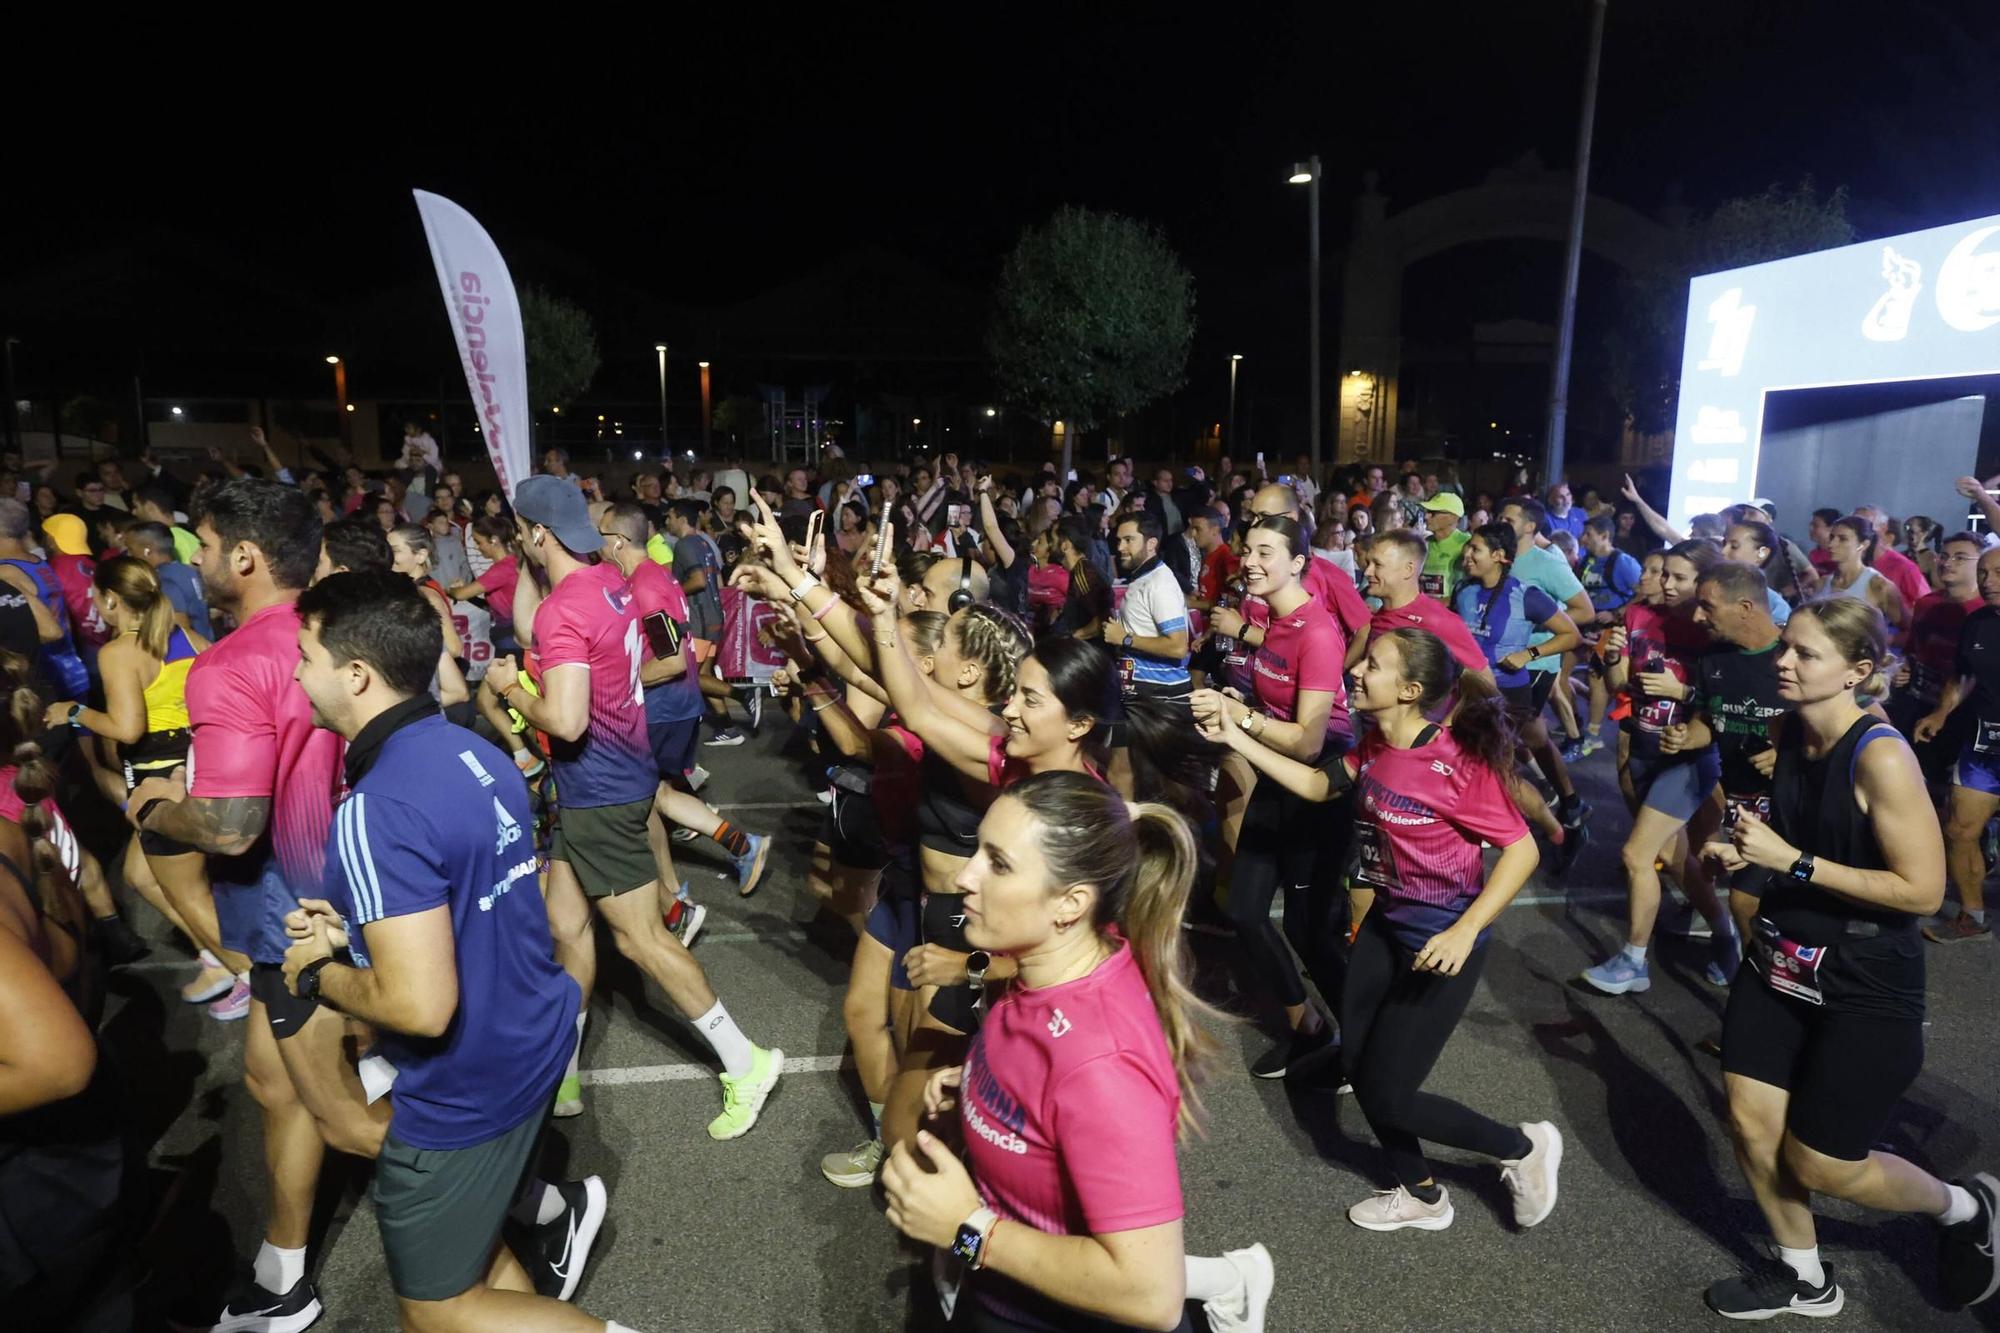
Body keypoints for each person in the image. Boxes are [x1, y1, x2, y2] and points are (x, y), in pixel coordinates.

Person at [280, 572, 632, 1333]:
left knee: (436, 1307)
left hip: (466, 1089)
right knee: (468, 1265)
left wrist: (318, 972)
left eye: (306, 656)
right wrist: (358, 932)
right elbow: (475, 902)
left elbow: (419, 1006)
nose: (297, 673)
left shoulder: (374, 807)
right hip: (533, 1039)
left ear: (357, 674)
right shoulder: (476, 751)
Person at [880, 772, 1276, 1333]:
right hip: (1004, 1293)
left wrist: (968, 1231)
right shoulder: (1045, 968)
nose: (966, 876)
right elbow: (1042, 1081)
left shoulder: (1101, 1066)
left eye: (999, 864)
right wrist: (977, 1089)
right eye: (978, 850)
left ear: (1070, 903)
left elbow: (1152, 1296)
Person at [1698, 597, 2000, 1320]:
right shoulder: (1785, 728)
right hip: (1781, 953)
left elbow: (1921, 890)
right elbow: (1805, 835)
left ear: (1857, 671)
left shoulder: (1882, 755)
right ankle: (1805, 1277)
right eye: (1785, 647)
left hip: (1865, 974)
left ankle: (1965, 1208)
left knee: (1823, 1164)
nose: (1783, 662)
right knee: (1749, 1121)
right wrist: (1744, 850)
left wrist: (1791, 861)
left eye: (1805, 654)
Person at [1218, 627, 1562, 1234]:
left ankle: (1522, 1148)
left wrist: (1464, 932)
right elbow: (1319, 785)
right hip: (1384, 926)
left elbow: (1522, 851)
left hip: (1439, 944)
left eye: (1372, 665)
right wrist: (1235, 734)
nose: (1356, 670)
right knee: (1357, 1063)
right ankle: (1423, 1195)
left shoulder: (1456, 766)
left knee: (1389, 1094)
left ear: (1408, 690)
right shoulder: (1376, 742)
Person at [127, 478, 365, 1330]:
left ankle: (537, 1203)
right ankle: (283, 1270)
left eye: (202, 543)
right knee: (275, 1079)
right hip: (348, 883)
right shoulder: (342, 627)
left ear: (246, 555)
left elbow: (230, 828)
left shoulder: (230, 663)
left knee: (343, 1110)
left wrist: (155, 806)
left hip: (297, 907)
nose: (193, 559)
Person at [490, 476, 781, 1138]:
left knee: (641, 939)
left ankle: (746, 1061)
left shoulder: (571, 606)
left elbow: (565, 719)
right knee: (567, 927)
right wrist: (536, 564)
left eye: (523, 532)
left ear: (538, 533)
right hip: (605, 781)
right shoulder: (612, 582)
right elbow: (544, 628)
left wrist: (511, 690)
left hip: (601, 791)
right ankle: (562, 1068)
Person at [1192, 517, 1351, 1078]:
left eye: (1266, 552)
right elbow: (1274, 704)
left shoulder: (1317, 631)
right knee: (1243, 908)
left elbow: (1308, 741)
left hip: (1316, 791)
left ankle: (1362, 1049)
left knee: (1310, 934)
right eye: (1248, 551)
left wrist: (1240, 719)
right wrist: (1234, 700)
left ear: (1298, 563)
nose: (1251, 562)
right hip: (1276, 778)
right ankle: (1309, 1027)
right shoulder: (1271, 621)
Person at [46, 556, 229, 997]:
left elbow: (128, 728)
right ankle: (218, 957)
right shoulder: (185, 635)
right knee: (140, 876)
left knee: (188, 888)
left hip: (158, 780)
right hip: (193, 764)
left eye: (96, 599)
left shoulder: (119, 652)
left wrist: (74, 712)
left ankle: (241, 969)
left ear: (112, 600)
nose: (94, 607)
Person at [1584, 540, 1739, 994]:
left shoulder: (1712, 631)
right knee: (1674, 858)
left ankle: (1633, 962)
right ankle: (1725, 934)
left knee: (1636, 854)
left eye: (1678, 577)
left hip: (1688, 760)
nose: (1666, 584)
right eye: (1663, 574)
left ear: (1704, 583)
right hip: (1644, 750)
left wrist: (1683, 694)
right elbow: (1621, 687)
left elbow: (1729, 704)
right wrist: (1614, 658)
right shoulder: (1638, 615)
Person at [598, 502, 771, 897]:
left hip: (663, 707)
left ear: (619, 541)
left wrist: (615, 683)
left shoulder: (645, 585)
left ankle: (676, 893)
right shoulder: (656, 573)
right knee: (657, 793)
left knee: (644, 800)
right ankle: (736, 849)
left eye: (601, 536)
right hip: (676, 704)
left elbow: (671, 660)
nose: (597, 544)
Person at [1453, 522, 1588, 872]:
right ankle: (1570, 804)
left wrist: (1528, 654)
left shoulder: (1525, 594)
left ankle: (1557, 831)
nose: (1467, 554)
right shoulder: (1464, 591)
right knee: (1534, 742)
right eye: (1468, 547)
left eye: (1475, 549)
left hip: (1508, 692)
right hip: (1470, 691)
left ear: (1499, 556)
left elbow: (1571, 635)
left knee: (1494, 767)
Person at [1684, 562, 1791, 928]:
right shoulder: (1713, 658)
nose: (1698, 617)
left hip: (1794, 808)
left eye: (1707, 606)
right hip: (1741, 805)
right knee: (1748, 903)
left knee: (1746, 901)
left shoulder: (1795, 656)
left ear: (1745, 607)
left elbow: (1857, 725)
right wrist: (1686, 736)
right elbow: (1706, 721)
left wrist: (1786, 757)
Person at [1914, 544, 2000, 944]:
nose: (1988, 581)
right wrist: (1941, 713)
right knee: (1960, 829)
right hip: (1984, 748)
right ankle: (1972, 916)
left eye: (1998, 573)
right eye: (1983, 573)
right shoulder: (1978, 622)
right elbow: (1965, 674)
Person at [1894, 532, 1990, 795]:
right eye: (1944, 556)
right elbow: (1914, 650)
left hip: (1965, 713)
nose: (1948, 563)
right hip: (1919, 703)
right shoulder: (1927, 603)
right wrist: (1905, 668)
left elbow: (1972, 671)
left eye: (1960, 558)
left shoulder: (1985, 612)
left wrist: (1943, 712)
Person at [1352, 531, 1487, 675]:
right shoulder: (1380, 616)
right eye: (1368, 563)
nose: (1367, 572)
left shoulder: (1438, 621)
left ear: (1408, 570)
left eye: (1377, 565)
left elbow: (1484, 679)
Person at [0, 500, 90, 699]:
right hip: (72, 669)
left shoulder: (6, 573)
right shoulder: (37, 562)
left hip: (48, 678)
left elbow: (49, 631)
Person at [1105, 510, 1191, 703]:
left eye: (1129, 540)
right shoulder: (1145, 578)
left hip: (1160, 696)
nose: (1120, 547)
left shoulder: (1159, 583)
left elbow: (1178, 646)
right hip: (1145, 692)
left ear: (1151, 544)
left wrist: (1125, 639)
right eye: (1119, 540)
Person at [1813, 515, 1907, 633]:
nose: (1831, 544)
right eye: (1832, 537)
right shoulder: (1822, 583)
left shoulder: (1879, 586)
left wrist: (1884, 640)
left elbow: (1908, 630)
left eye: (1842, 539)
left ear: (1863, 544)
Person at [122, 519, 213, 639]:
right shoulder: (189, 571)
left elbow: (180, 628)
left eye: (131, 549)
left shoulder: (163, 580)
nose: (128, 555)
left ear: (147, 550)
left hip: (190, 649)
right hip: (208, 642)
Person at [1417, 493, 1468, 602]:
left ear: (1453, 517)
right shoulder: (1423, 543)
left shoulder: (1467, 543)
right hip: (1425, 607)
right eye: (1427, 512)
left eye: (1433, 513)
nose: (1426, 516)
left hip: (1454, 609)